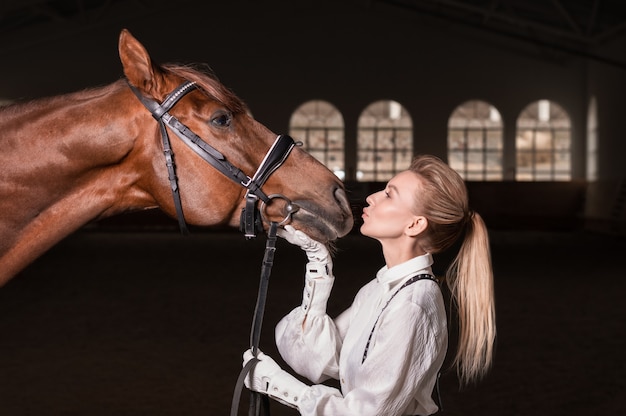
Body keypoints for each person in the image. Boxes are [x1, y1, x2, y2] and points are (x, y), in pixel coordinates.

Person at [243, 154, 496, 415]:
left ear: (415, 224)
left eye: (389, 194)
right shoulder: (378, 289)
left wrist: (277, 384)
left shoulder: (411, 305)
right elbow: (317, 359)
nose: (372, 197)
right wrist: (318, 264)